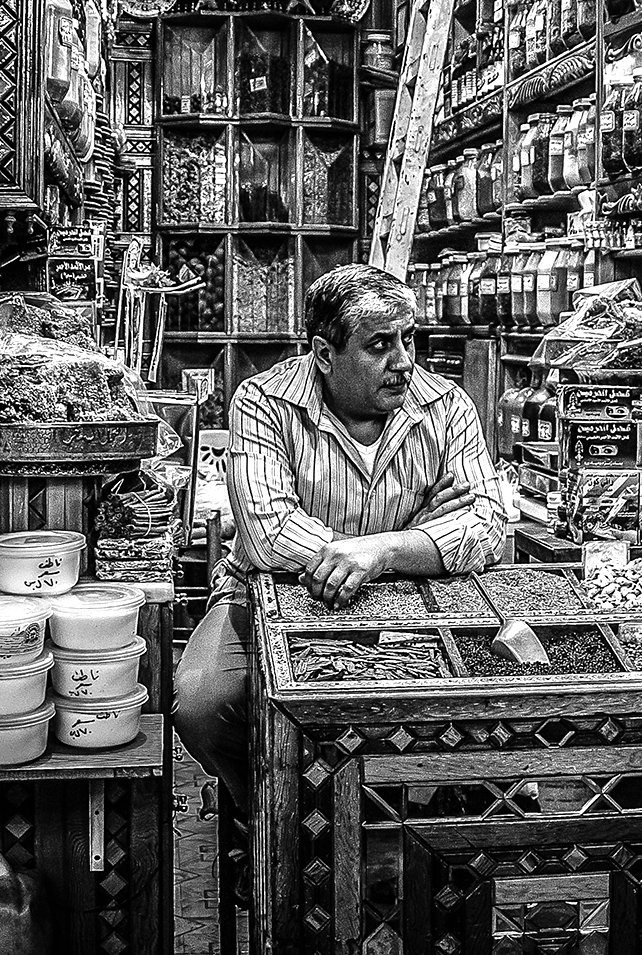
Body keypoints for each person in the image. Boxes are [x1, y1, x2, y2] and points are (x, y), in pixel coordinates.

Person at [172, 264, 505, 812]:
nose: (404, 361)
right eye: (380, 345)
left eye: (408, 339)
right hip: (264, 593)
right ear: (325, 354)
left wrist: (381, 550)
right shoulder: (263, 402)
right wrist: (419, 537)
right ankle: (276, 812)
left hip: (415, 599)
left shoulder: (446, 406)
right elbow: (269, 534)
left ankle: (396, 816)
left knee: (483, 699)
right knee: (203, 703)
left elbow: (488, 524)